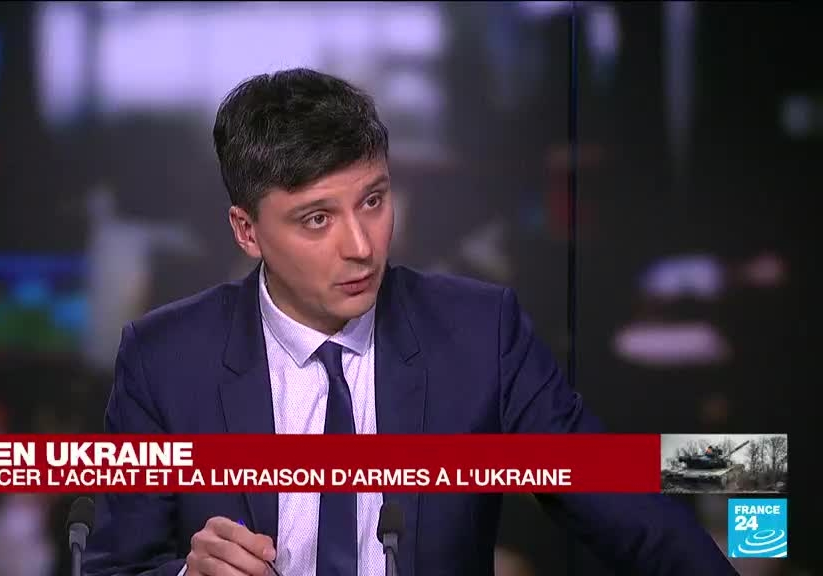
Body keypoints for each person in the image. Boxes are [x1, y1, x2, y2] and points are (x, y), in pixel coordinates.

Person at [83, 68, 737, 576]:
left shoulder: (480, 333)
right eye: (318, 219)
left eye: (373, 200)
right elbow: (112, 567)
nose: (362, 246)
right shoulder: (164, 359)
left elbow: (624, 503)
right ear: (247, 231)